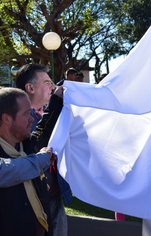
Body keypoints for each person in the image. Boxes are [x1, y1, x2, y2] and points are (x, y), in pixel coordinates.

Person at [16, 64, 72, 236]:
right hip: (32, 199)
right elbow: (35, 145)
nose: (53, 87)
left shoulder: (49, 112)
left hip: (54, 195)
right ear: (30, 88)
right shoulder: (17, 120)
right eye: (47, 82)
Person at [0, 87, 53, 236]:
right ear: (6, 119)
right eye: (26, 114)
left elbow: (45, 128)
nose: (32, 119)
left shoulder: (26, 145)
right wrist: (40, 160)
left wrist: (57, 100)